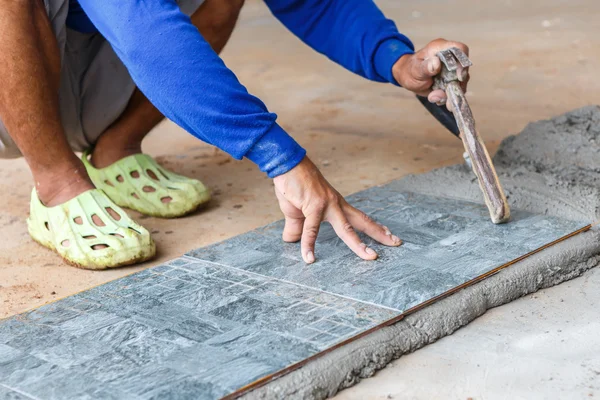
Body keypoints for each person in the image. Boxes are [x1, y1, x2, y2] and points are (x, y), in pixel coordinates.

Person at [0, 0, 469, 270]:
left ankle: (114, 150)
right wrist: (281, 158)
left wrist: (398, 61)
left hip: (89, 72)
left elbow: (316, 2)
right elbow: (146, 33)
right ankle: (57, 183)